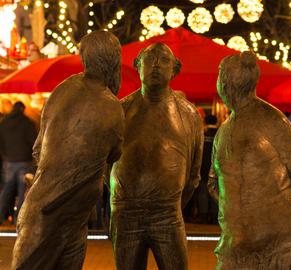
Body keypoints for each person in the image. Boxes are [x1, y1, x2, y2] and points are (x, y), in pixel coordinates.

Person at [208, 51, 291, 269]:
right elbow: (214, 183)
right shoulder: (225, 130)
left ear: (224, 84)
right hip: (241, 244)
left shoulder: (271, 119)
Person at [12, 31, 124, 270]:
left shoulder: (64, 89)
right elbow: (115, 153)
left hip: (58, 212)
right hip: (56, 213)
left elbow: (39, 147)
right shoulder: (112, 106)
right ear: (113, 60)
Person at [109, 43, 203, 270]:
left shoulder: (189, 114)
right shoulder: (120, 110)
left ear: (175, 69)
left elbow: (193, 173)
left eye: (164, 60)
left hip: (168, 214)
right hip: (126, 212)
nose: (156, 65)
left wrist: (172, 201)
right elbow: (106, 162)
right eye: (149, 60)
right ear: (137, 66)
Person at [0, 102, 37, 224]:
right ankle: (19, 219)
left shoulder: (4, 123)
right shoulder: (28, 123)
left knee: (6, 191)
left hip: (9, 162)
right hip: (24, 162)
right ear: (22, 109)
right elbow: (34, 142)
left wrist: (5, 156)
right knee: (22, 193)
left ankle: (1, 215)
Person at [198, 114, 218, 224]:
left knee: (203, 191)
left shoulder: (202, 134)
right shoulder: (220, 133)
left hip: (203, 167)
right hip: (216, 167)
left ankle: (203, 215)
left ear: (205, 121)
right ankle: (214, 215)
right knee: (215, 190)